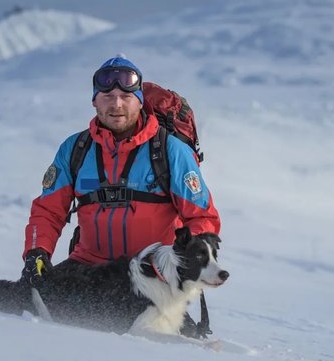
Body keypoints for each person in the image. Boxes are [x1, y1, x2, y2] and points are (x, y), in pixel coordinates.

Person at [21, 55, 221, 282]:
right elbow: (48, 211)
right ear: (94, 101)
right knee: (20, 299)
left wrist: (185, 256)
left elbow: (203, 218)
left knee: (138, 319)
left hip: (152, 276)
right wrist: (36, 252)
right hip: (89, 267)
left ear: (139, 101)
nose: (116, 104)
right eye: (108, 96)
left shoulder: (170, 151)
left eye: (126, 96)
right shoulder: (75, 149)